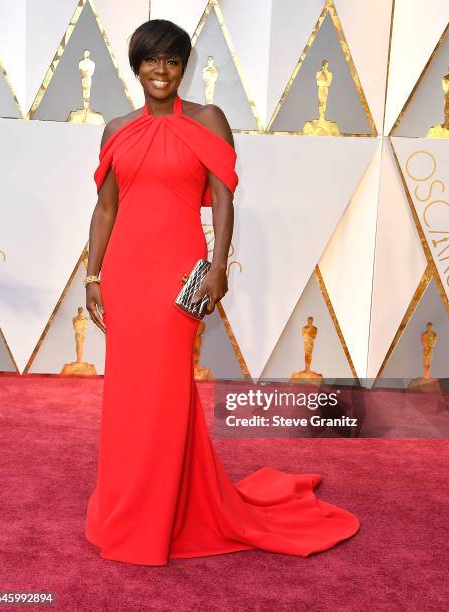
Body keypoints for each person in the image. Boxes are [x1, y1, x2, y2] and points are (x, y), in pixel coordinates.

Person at [84, 19, 359, 566]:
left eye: (172, 61)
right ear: (135, 66)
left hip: (176, 274)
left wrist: (217, 267)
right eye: (151, 61)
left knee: (167, 394)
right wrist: (93, 276)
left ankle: (165, 513)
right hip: (126, 275)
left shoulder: (209, 119)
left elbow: (223, 195)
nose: (161, 71)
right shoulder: (116, 128)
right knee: (126, 396)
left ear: (183, 68)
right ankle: (125, 503)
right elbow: (106, 208)